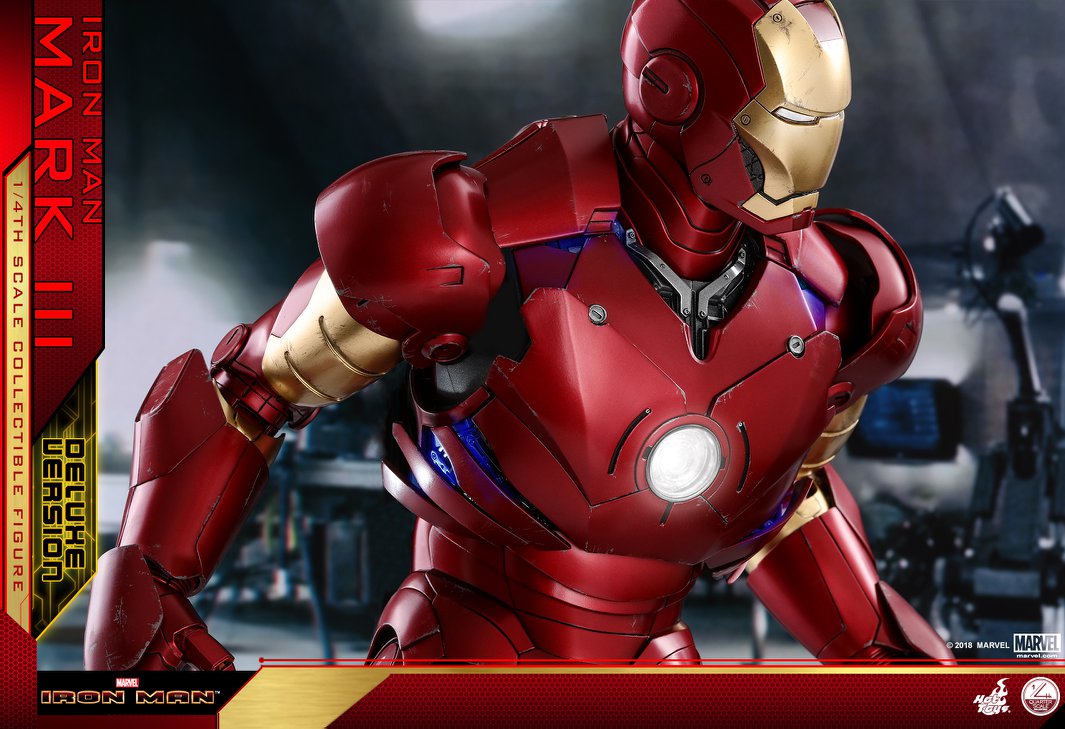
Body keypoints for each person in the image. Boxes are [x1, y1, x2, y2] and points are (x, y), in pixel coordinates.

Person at [85, 0, 953, 668]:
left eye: (819, 121)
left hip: (655, 649)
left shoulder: (838, 295)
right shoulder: (485, 230)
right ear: (672, 89)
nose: (804, 156)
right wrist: (147, 581)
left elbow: (787, 500)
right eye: (784, 122)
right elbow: (253, 383)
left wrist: (881, 652)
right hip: (472, 638)